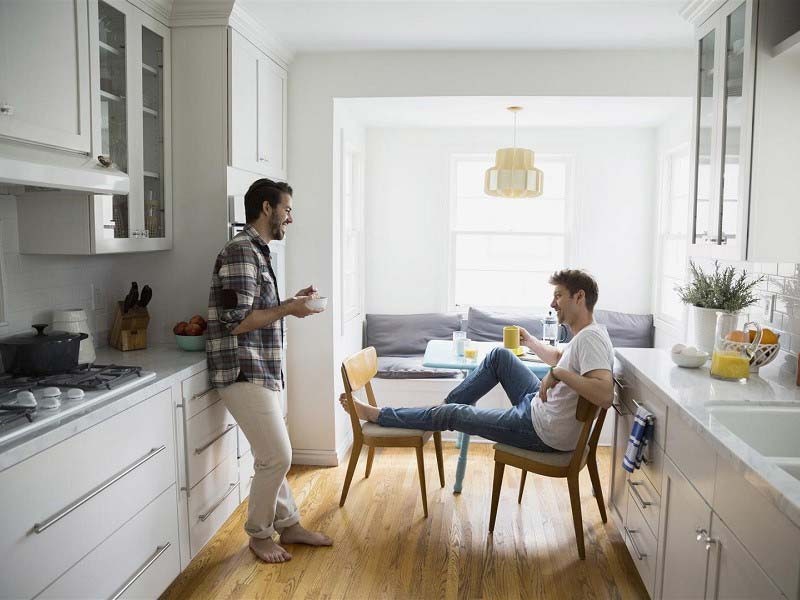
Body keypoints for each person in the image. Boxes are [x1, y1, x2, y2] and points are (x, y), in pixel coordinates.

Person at [341, 270, 614, 453]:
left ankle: (383, 414)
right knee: (499, 356)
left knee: (451, 415)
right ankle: (441, 413)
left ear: (579, 297)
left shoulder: (590, 339)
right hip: (541, 408)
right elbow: (559, 357)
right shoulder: (587, 336)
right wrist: (530, 341)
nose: (553, 303)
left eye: (559, 296)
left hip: (541, 430)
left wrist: (559, 374)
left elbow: (604, 394)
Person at [207, 178, 332, 563]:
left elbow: (252, 308)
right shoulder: (241, 252)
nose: (290, 218)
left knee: (269, 453)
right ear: (266, 208)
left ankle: (289, 524)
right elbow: (235, 321)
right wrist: (287, 308)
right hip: (242, 369)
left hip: (260, 367)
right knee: (277, 456)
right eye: (287, 209)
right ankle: (259, 535)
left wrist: (290, 302)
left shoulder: (258, 252)